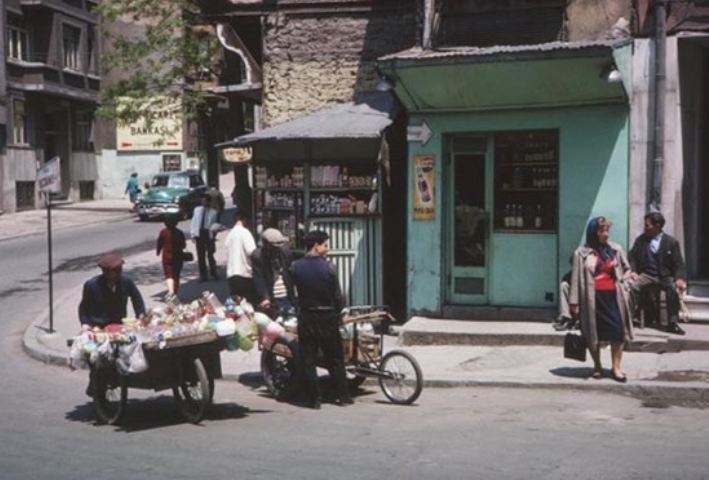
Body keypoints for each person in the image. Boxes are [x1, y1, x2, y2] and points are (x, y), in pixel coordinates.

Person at [289, 230, 352, 409]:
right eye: (325, 245)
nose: (328, 248)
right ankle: (343, 396)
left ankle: (315, 399)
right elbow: (338, 296)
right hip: (328, 318)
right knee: (335, 358)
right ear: (316, 246)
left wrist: (297, 308)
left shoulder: (295, 267)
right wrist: (340, 313)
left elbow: (292, 293)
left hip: (307, 317)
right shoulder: (329, 267)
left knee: (309, 359)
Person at [569, 217, 634, 382]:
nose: (605, 234)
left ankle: (616, 368)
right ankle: (597, 365)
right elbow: (575, 279)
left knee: (618, 332)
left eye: (607, 231)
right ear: (593, 233)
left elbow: (627, 269)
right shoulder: (581, 253)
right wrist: (574, 302)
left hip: (613, 296)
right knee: (593, 332)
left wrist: (625, 283)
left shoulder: (616, 249)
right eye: (601, 231)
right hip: (592, 298)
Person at [627, 212, 687, 335]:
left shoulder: (671, 242)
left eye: (647, 225)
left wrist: (679, 278)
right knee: (633, 287)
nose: (645, 228)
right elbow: (632, 256)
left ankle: (672, 322)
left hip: (664, 276)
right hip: (647, 274)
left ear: (657, 226)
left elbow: (678, 263)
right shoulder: (641, 240)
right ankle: (630, 319)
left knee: (672, 289)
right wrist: (633, 271)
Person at [78, 253, 146, 328]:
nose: (119, 272)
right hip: (98, 325)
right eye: (115, 270)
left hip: (119, 323)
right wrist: (85, 324)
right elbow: (84, 307)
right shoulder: (91, 285)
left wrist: (140, 315)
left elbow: (137, 299)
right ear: (105, 271)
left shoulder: (126, 281)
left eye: (120, 269)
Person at [251, 228, 297, 317]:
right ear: (266, 244)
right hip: (271, 298)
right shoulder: (258, 256)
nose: (277, 250)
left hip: (287, 296)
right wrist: (265, 297)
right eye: (274, 247)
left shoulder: (285, 253)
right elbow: (259, 278)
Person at [224, 211, 257, 303]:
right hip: (244, 273)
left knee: (237, 304)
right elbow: (251, 251)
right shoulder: (245, 232)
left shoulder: (229, 235)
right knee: (248, 303)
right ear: (244, 220)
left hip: (231, 274)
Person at [190, 193, 219, 281]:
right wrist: (193, 234)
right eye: (202, 201)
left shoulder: (214, 212)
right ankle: (203, 275)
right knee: (200, 256)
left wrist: (214, 235)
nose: (204, 202)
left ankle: (213, 272)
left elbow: (216, 225)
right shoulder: (197, 210)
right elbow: (194, 222)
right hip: (200, 234)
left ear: (209, 202)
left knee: (210, 254)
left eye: (205, 201)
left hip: (208, 233)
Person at [156, 215, 187, 297]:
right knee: (176, 275)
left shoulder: (163, 232)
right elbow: (183, 245)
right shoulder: (180, 233)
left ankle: (171, 291)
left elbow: (160, 243)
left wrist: (158, 251)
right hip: (178, 257)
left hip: (167, 257)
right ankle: (175, 292)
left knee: (169, 275)